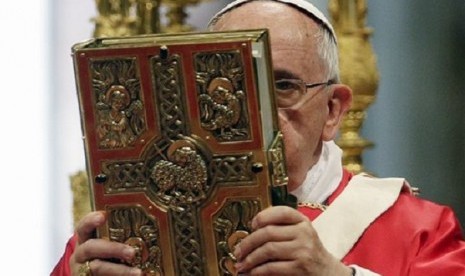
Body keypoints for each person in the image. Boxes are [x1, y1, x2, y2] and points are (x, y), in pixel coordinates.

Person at [52, 0, 465, 275]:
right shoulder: (121, 234)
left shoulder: (416, 231)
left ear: (333, 110)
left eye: (283, 86)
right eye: (232, 86)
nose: (258, 113)